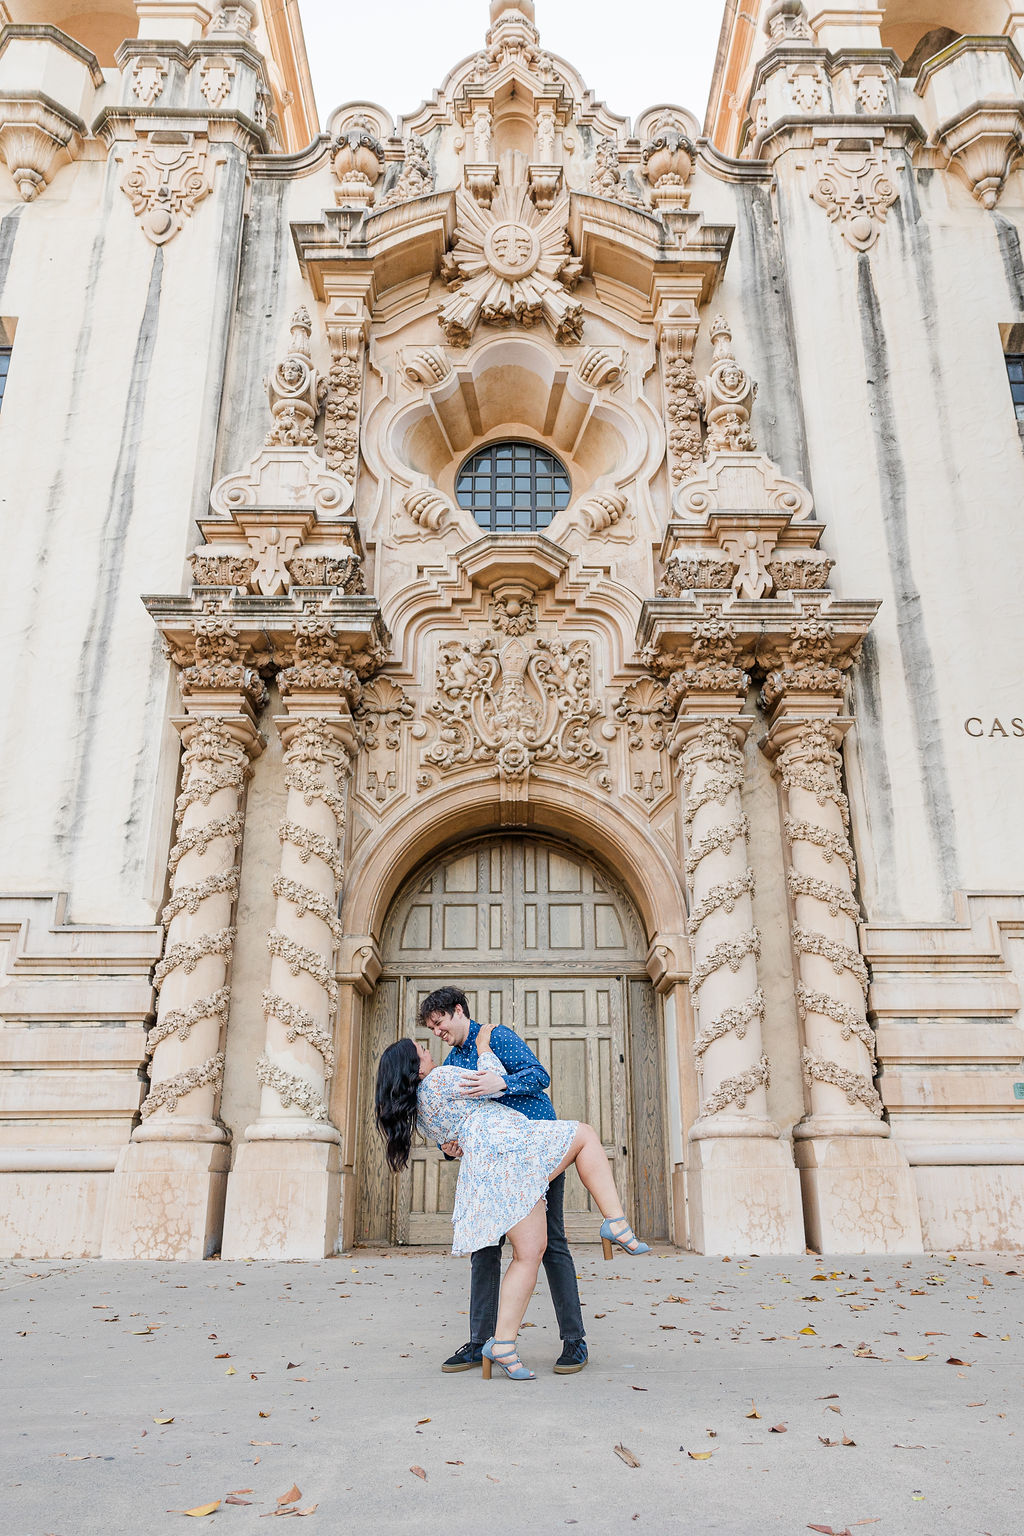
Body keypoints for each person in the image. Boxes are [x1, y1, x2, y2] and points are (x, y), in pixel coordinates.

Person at [374, 1016, 649, 1382]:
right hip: (511, 1150)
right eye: (422, 1049)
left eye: (435, 1029)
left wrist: (450, 1144)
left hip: (491, 1168)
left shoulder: (419, 1115)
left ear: (458, 1012)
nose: (430, 1046)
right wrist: (485, 1048)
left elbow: (453, 1132)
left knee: (532, 1251)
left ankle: (503, 1344)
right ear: (414, 1067)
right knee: (584, 1134)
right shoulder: (442, 1077)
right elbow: (485, 1086)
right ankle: (615, 1222)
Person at [422, 986, 588, 1375]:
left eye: (439, 1022)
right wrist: (449, 1147)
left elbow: (539, 1075)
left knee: (552, 1244)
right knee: (485, 1246)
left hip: (536, 1150)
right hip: (491, 1165)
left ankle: (574, 1340)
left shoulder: (495, 1036)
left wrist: (504, 1084)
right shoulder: (452, 1060)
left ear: (458, 1010)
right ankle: (482, 1343)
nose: (437, 1032)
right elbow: (455, 1117)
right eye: (432, 1027)